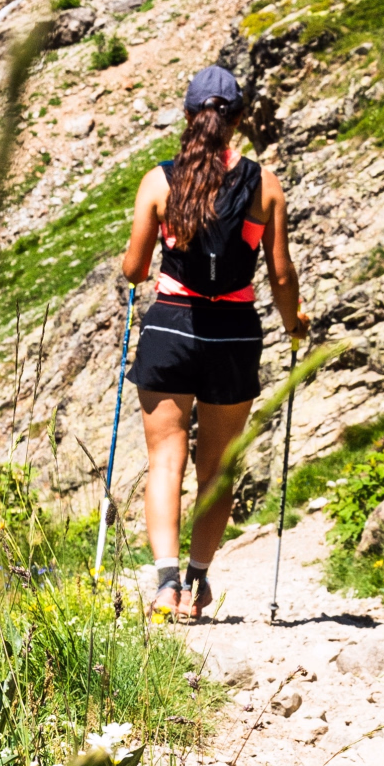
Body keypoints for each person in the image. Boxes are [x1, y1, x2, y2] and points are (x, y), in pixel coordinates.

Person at [116, 63, 308, 620]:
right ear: (238, 119)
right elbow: (280, 273)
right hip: (234, 333)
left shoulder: (161, 180)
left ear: (186, 114)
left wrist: (145, 265)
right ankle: (199, 584)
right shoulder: (263, 183)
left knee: (165, 460)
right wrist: (294, 323)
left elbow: (134, 269)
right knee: (217, 467)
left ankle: (166, 585)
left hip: (172, 327)